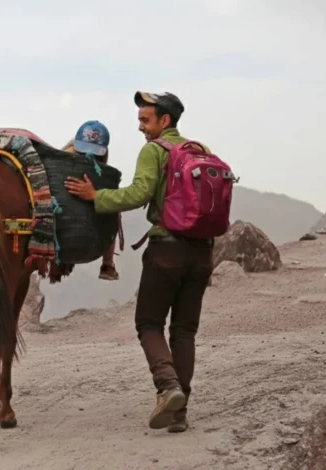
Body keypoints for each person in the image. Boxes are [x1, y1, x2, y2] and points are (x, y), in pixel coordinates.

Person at [65, 91, 214, 433]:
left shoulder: (155, 150)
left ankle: (168, 388)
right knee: (184, 330)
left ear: (165, 121)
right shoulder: (200, 150)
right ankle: (179, 412)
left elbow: (139, 193)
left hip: (167, 250)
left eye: (145, 120)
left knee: (148, 323)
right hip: (203, 251)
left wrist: (95, 196)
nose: (141, 128)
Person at [61, 120, 119, 281]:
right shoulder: (67, 155)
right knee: (112, 209)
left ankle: (108, 263)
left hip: (88, 196)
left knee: (112, 208)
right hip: (67, 198)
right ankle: (108, 263)